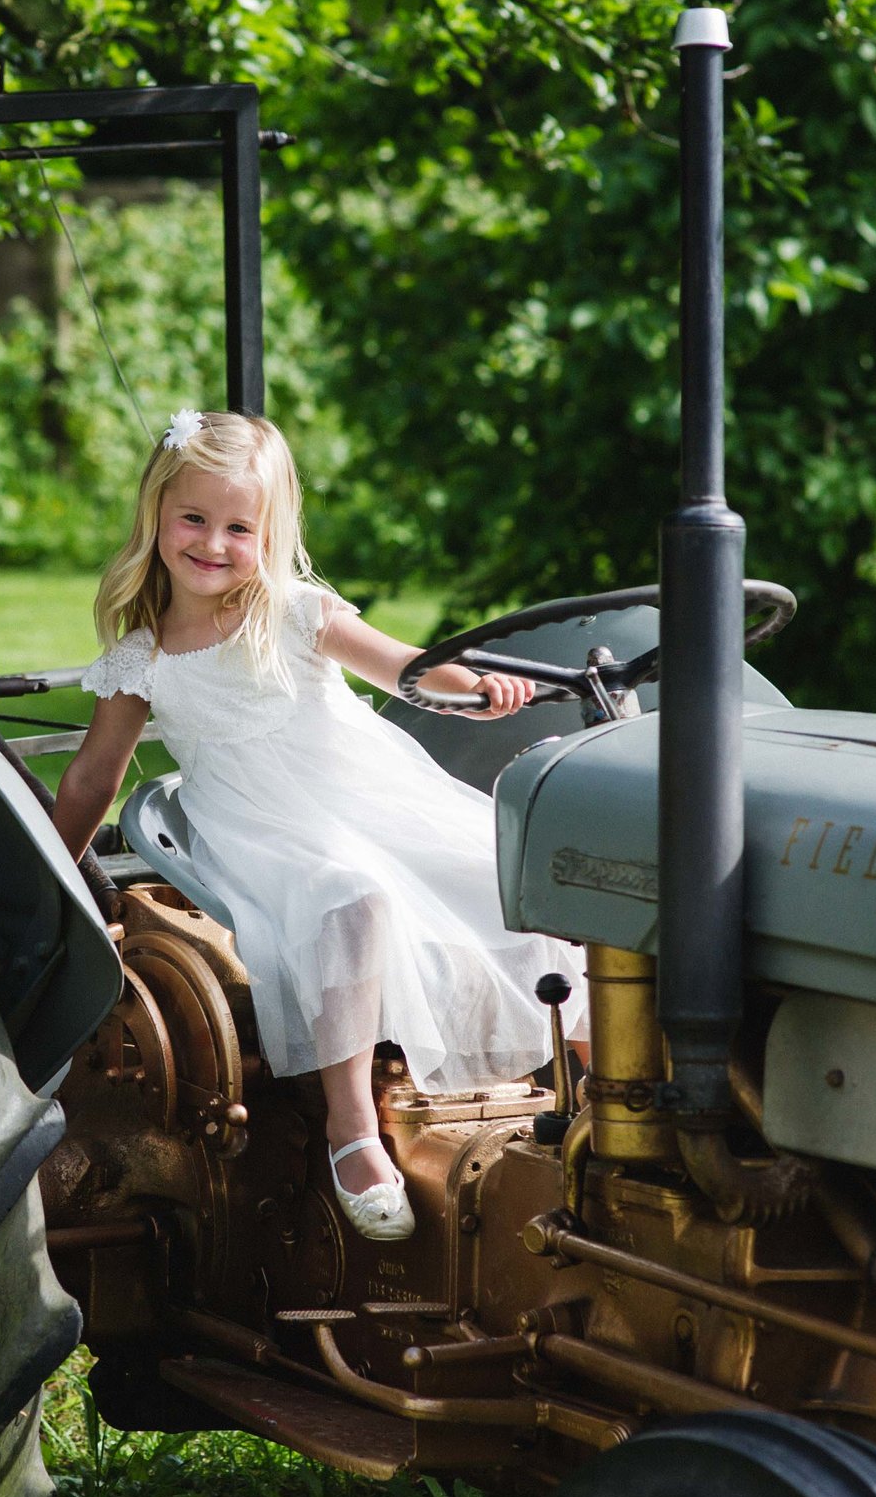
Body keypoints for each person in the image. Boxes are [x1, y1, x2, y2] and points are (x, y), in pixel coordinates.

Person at [51, 408, 585, 1242]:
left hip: (362, 793)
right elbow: (93, 773)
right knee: (354, 897)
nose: (213, 543)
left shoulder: (295, 611)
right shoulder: (142, 654)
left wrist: (474, 689)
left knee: (507, 869)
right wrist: (49, 867)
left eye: (239, 526)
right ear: (156, 511)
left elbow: (404, 666)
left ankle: (601, 1090)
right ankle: (351, 1126)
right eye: (193, 518)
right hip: (253, 825)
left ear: (271, 532)